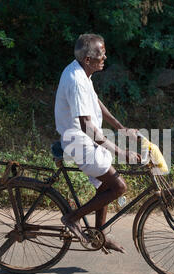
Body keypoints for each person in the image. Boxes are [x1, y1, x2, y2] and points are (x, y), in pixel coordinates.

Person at [54, 34, 141, 254]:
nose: (105, 56)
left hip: (83, 139)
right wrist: (121, 152)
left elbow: (96, 102)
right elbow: (86, 126)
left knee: (105, 187)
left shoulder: (82, 73)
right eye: (101, 53)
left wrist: (121, 128)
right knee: (119, 187)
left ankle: (98, 235)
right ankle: (73, 218)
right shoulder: (75, 80)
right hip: (78, 141)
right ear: (88, 59)